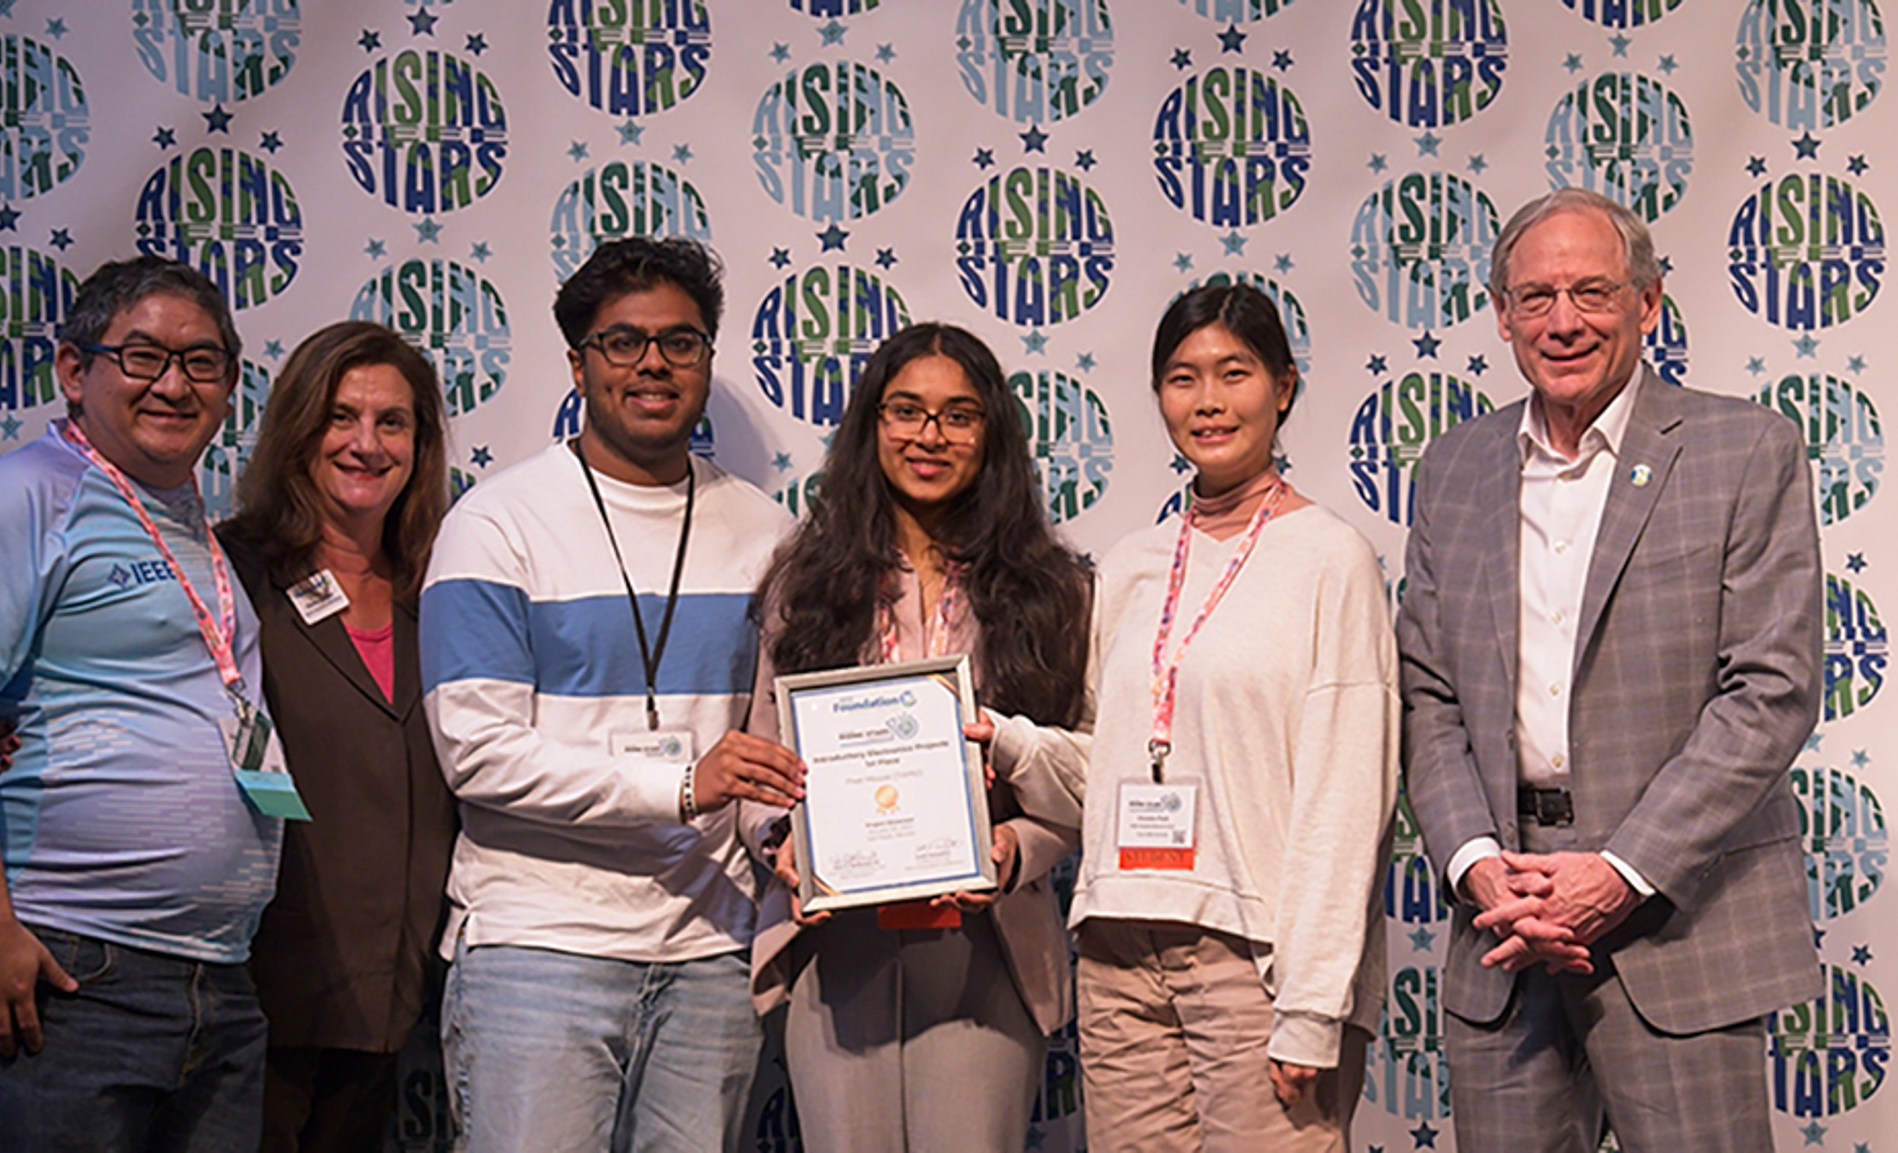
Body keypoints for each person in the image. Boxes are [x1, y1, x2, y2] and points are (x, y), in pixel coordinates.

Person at [1398, 187, 1822, 1152]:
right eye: (1536, 296)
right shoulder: (1452, 469)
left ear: (1648, 303)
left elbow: (1772, 688)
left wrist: (1622, 871)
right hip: (1501, 922)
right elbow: (1425, 694)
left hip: (1683, 924)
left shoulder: (1745, 449)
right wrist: (1473, 864)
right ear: (1501, 314)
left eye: (1592, 291)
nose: (1563, 321)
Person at [419, 237, 804, 1152]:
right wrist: (677, 786)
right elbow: (477, 753)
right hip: (537, 947)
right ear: (578, 362)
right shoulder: (494, 523)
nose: (654, 365)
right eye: (623, 342)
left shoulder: (768, 533)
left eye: (682, 342)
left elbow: (775, 742)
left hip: (711, 951)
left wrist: (796, 833)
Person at [998, 282, 1396, 1151]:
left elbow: (1347, 797)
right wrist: (1009, 740)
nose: (1208, 401)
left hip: (1252, 964)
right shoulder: (1134, 563)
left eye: (1234, 373)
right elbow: (1107, 768)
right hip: (1116, 952)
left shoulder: (1333, 558)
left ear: (1283, 386)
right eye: (1182, 378)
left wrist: (1312, 1005)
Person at [0, 256, 283, 1148]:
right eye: (143, 356)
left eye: (203, 362)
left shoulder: (192, 522)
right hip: (74, 966)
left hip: (215, 976)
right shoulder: (22, 495)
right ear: (76, 371)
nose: (174, 384)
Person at [742, 322, 1090, 1151]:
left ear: (993, 434)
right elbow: (758, 762)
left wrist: (1013, 848)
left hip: (986, 945)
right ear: (871, 424)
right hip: (838, 942)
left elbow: (1086, 773)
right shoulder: (806, 577)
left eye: (958, 415)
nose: (929, 435)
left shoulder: (1054, 588)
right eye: (906, 410)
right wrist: (782, 843)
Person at [217, 320, 458, 1152]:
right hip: (256, 990)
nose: (366, 442)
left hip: (393, 993)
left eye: (392, 421)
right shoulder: (232, 572)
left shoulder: (449, 588)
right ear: (298, 429)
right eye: (341, 416)